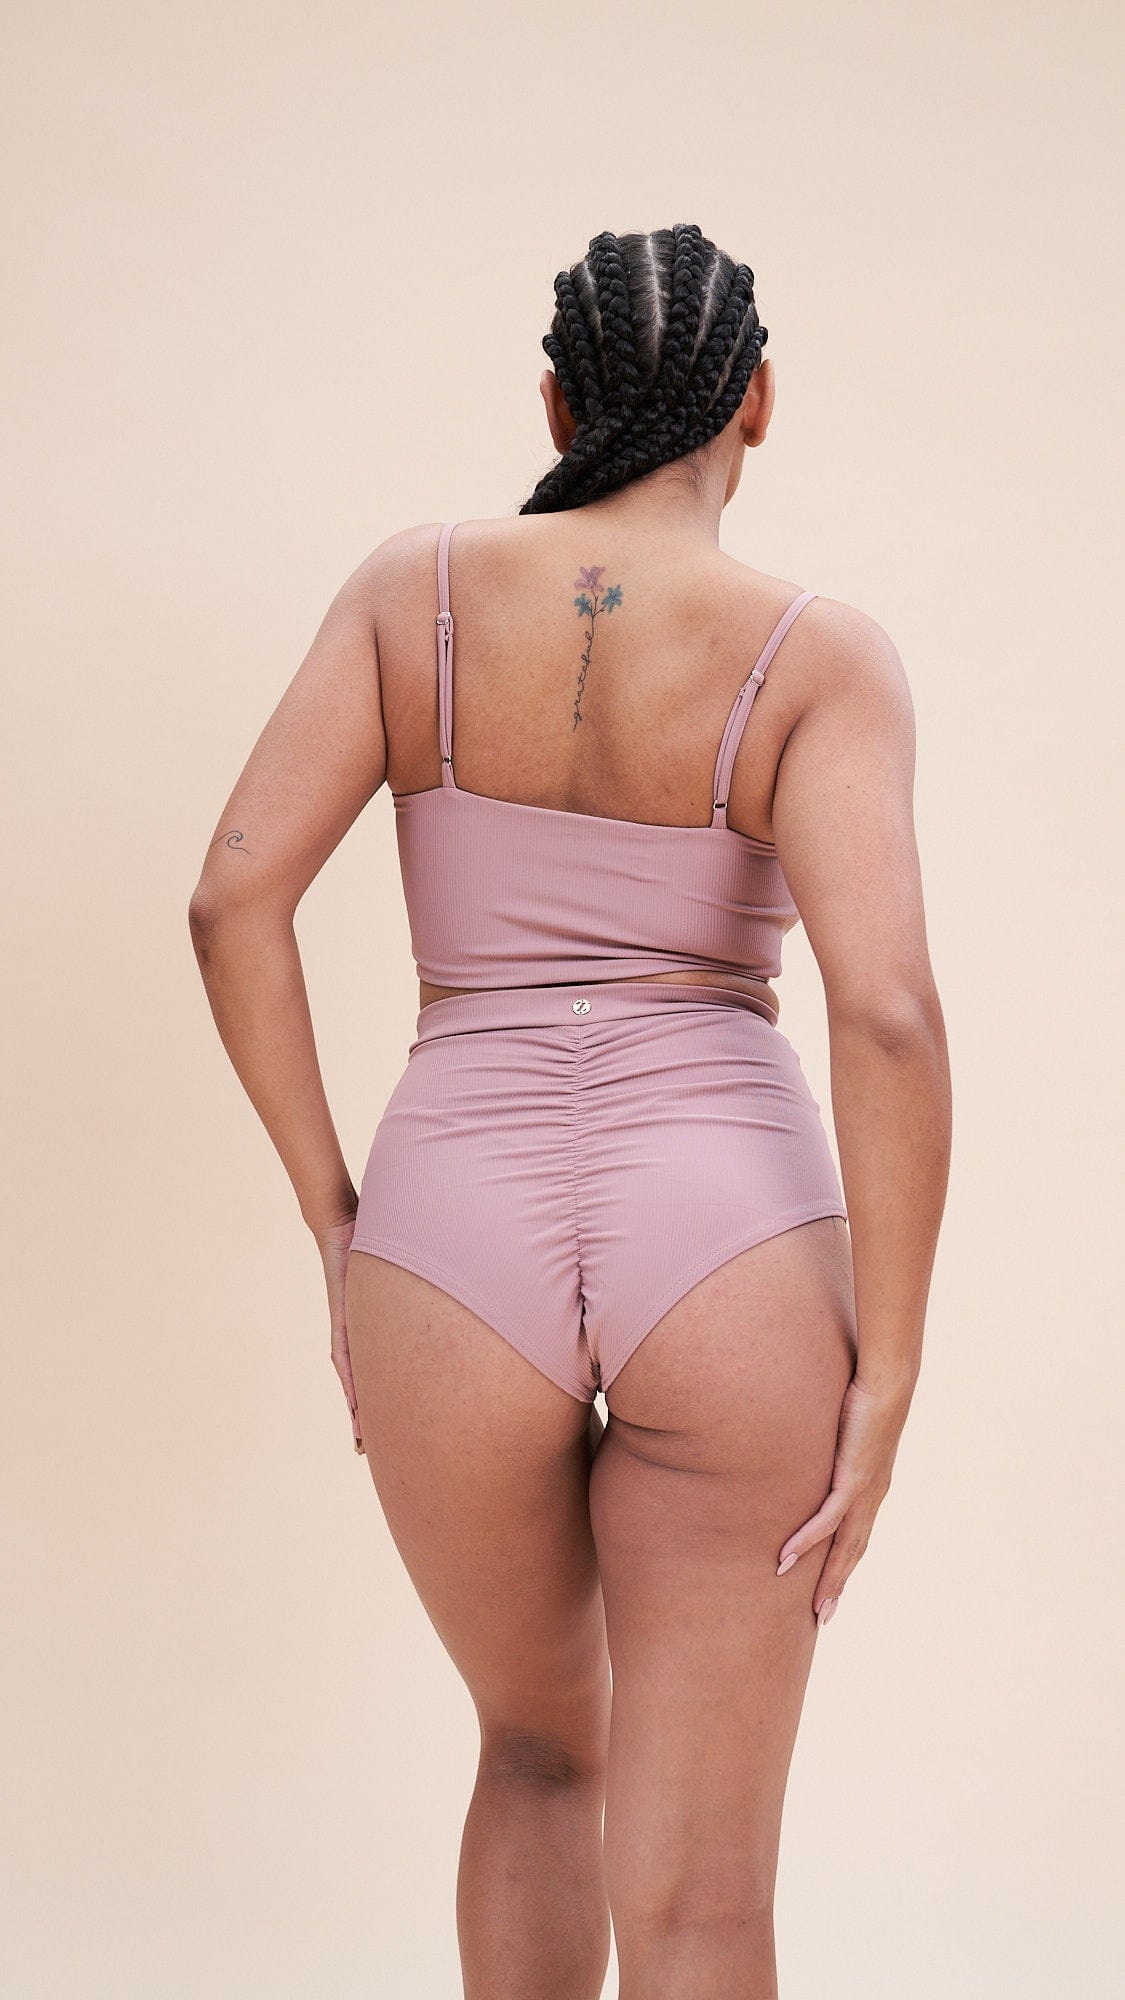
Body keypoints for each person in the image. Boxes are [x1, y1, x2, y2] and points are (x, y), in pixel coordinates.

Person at [189, 223, 952, 2000]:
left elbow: (231, 901)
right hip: (729, 1233)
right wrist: (891, 1368)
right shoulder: (818, 655)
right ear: (755, 403)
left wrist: (335, 1220)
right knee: (702, 1898)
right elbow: (888, 1013)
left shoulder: (412, 594)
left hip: (449, 1228)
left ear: (555, 403)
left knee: (536, 1755)